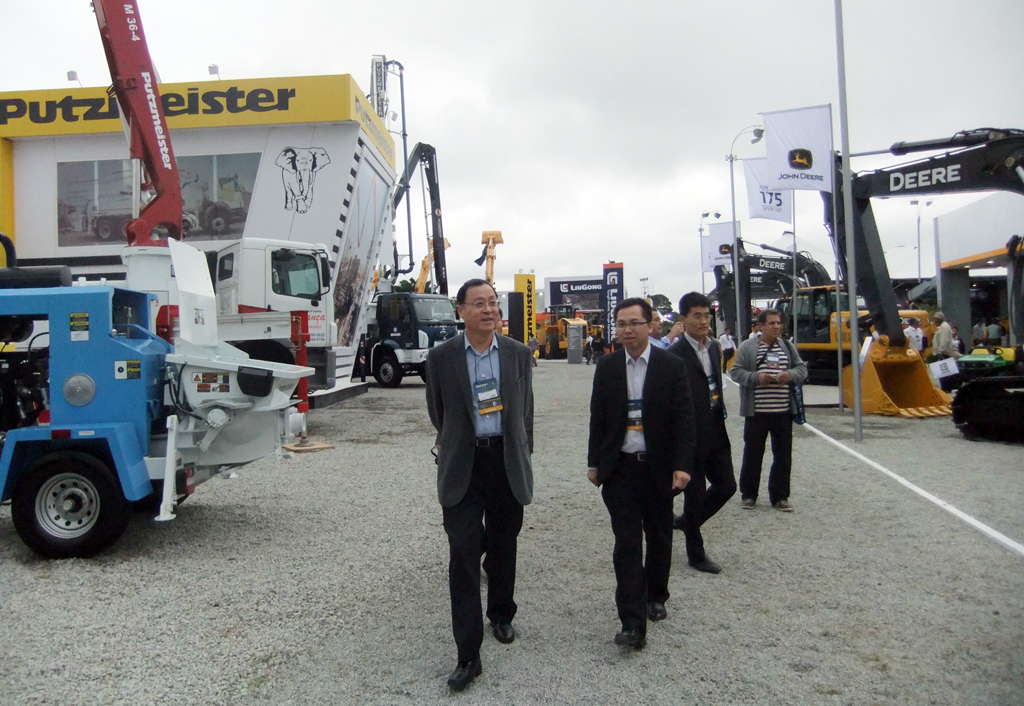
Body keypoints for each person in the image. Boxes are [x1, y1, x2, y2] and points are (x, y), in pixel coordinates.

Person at [425, 278, 535, 692]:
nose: (489, 309)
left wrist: (523, 453)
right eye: (479, 303)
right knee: (464, 555)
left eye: (492, 302)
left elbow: (525, 412)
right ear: (462, 311)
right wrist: (456, 441)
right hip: (464, 465)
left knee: (505, 543)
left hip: (505, 461)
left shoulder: (518, 354)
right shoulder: (442, 357)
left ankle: (501, 613)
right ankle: (468, 655)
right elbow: (438, 411)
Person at [587, 297, 695, 649]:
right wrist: (594, 463)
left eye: (634, 323)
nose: (627, 330)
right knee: (627, 543)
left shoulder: (671, 366)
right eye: (621, 324)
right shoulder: (607, 366)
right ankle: (632, 623)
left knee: (660, 535)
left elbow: (684, 420)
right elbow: (599, 417)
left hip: (659, 468)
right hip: (620, 469)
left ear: (650, 326)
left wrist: (683, 465)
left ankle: (656, 595)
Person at [667, 292, 736, 574]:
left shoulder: (714, 347)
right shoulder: (674, 354)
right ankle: (696, 554)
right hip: (690, 433)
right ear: (683, 319)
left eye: (707, 315)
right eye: (697, 316)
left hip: (715, 427)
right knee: (693, 494)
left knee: (727, 486)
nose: (704, 321)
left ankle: (686, 522)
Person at [730, 308, 808, 512]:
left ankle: (780, 496)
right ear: (761, 326)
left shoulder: (787, 346)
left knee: (783, 456)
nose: (776, 327)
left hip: (783, 411)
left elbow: (802, 369)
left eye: (778, 323)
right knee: (753, 454)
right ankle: (749, 495)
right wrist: (756, 378)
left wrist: (790, 375)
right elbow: (735, 372)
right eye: (772, 323)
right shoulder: (747, 347)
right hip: (757, 412)